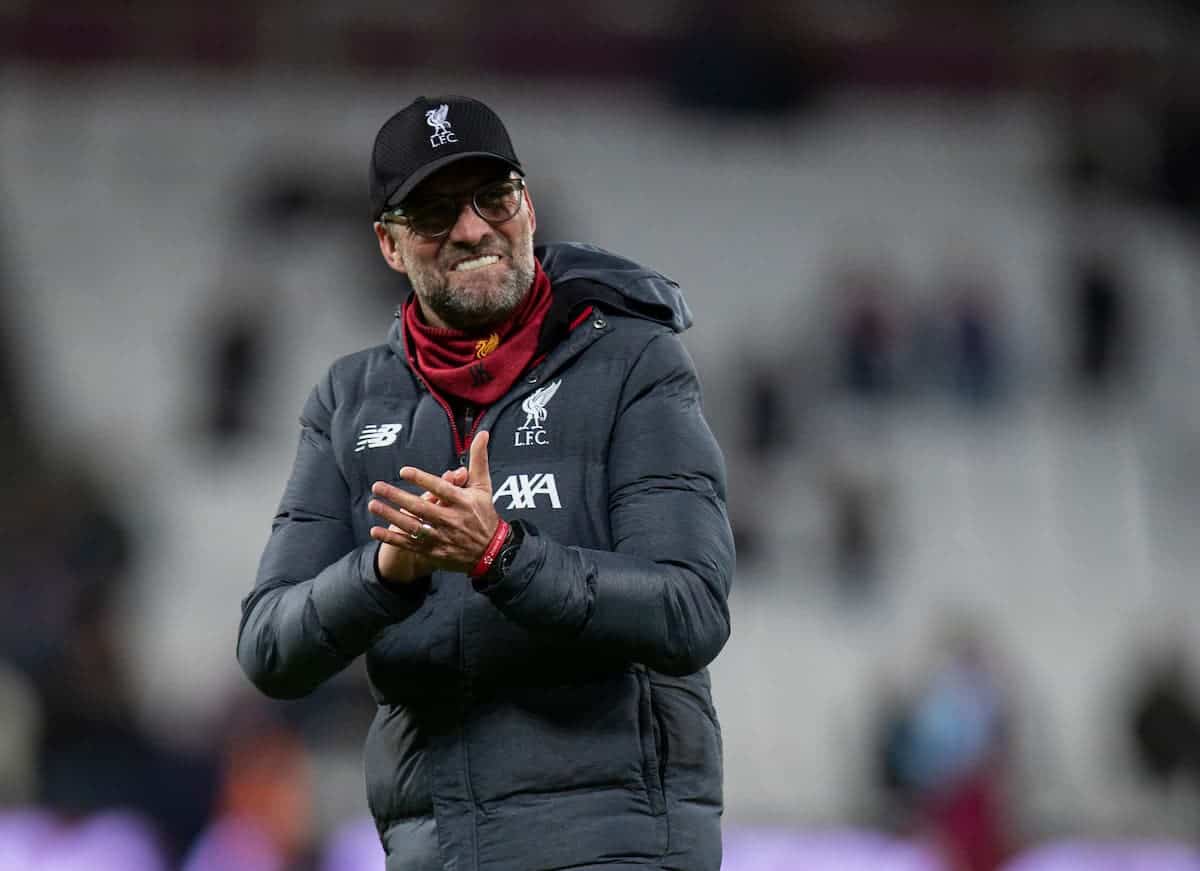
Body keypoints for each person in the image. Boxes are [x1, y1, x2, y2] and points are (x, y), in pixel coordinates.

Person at [237, 95, 735, 871]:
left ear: (527, 205)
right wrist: (382, 573)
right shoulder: (348, 399)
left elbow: (689, 609)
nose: (471, 229)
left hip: (619, 846)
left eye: (492, 197)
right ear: (389, 245)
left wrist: (501, 554)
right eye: (434, 213)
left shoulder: (636, 364)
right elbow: (269, 645)